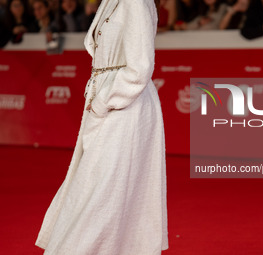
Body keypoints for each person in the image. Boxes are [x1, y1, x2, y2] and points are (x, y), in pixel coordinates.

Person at [34, 0, 169, 254]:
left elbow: (140, 68)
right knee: (94, 189)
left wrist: (105, 100)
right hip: (111, 103)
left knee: (101, 194)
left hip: (124, 106)